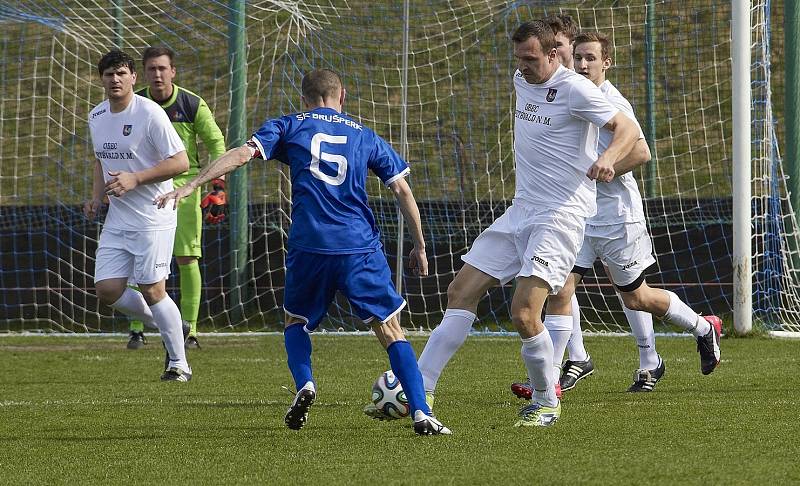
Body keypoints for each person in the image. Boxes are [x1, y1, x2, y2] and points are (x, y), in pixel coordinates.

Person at [369, 20, 639, 428]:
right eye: (519, 58)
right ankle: (420, 386)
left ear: (553, 55)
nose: (523, 66)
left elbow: (629, 130)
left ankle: (547, 401)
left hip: (561, 215)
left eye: (531, 58)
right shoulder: (521, 78)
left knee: (524, 313)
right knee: (460, 290)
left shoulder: (576, 90)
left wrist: (608, 158)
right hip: (522, 210)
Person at [155, 68, 451, 436]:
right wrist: (420, 245)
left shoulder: (289, 125)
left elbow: (242, 154)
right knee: (390, 329)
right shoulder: (364, 135)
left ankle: (305, 384)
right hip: (358, 246)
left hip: (309, 244)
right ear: (342, 95)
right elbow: (402, 191)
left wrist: (192, 186)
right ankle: (422, 412)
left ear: (304, 98)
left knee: (295, 321)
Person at [511, 31, 722, 399]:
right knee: (561, 288)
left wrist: (607, 166)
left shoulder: (611, 100)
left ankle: (701, 328)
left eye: (590, 58)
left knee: (636, 297)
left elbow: (641, 152)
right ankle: (552, 380)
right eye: (578, 57)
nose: (582, 64)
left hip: (615, 217)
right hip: (577, 215)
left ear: (606, 62)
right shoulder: (566, 91)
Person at [85, 49, 192, 381]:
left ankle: (179, 363)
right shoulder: (96, 115)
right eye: (108, 74)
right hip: (118, 217)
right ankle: (171, 323)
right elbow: (101, 160)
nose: (114, 80)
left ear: (133, 77)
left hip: (153, 214)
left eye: (121, 73)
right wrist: (96, 197)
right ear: (101, 79)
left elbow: (181, 162)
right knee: (107, 289)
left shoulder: (150, 114)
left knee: (151, 288)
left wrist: (136, 178)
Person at [125, 46, 227, 350]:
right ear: (144, 73)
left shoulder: (192, 104)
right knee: (138, 257)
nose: (157, 74)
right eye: (151, 69)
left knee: (186, 258)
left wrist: (215, 186)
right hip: (144, 188)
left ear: (173, 72)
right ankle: (136, 329)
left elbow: (217, 144)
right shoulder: (135, 104)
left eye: (162, 69)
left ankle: (190, 329)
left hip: (183, 188)